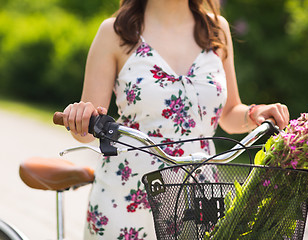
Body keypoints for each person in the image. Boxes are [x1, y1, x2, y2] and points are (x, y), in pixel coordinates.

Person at [60, 0, 289, 239]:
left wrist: (255, 113)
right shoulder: (115, 32)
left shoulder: (215, 30)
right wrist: (81, 117)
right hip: (128, 194)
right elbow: (87, 129)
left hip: (199, 193)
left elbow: (229, 113)